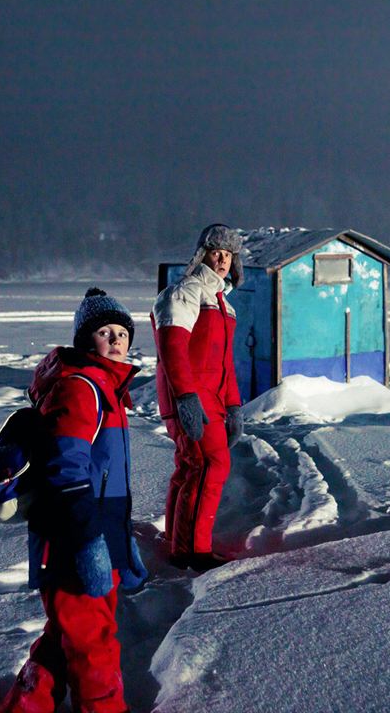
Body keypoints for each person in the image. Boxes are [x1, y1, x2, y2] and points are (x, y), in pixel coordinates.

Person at [0, 288, 146, 713]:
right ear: (86, 342)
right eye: (104, 332)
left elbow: (104, 477)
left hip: (98, 532)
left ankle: (27, 706)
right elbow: (67, 470)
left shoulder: (107, 389)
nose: (116, 340)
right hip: (72, 539)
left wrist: (120, 538)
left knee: (70, 634)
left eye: (122, 332)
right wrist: (88, 543)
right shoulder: (81, 388)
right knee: (93, 643)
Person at [151, 223, 245, 572]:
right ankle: (195, 551)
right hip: (192, 397)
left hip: (212, 400)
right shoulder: (186, 292)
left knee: (190, 466)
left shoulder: (223, 303)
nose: (222, 260)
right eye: (215, 252)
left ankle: (177, 543)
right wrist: (186, 398)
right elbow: (172, 346)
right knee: (211, 465)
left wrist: (234, 407)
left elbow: (225, 364)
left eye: (228, 254)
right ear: (202, 254)